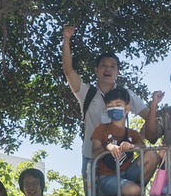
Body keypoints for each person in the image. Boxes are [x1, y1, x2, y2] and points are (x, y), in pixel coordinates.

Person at [62, 24, 148, 165]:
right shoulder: (86, 92)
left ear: (118, 72)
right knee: (92, 188)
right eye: (103, 65)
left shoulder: (127, 94)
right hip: (92, 157)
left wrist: (137, 141)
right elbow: (68, 71)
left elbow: (148, 116)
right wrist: (66, 40)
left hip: (121, 159)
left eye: (113, 66)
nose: (108, 69)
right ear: (96, 69)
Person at [91, 87, 150, 196]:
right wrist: (108, 147)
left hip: (128, 176)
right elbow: (94, 153)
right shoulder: (101, 129)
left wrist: (132, 146)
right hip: (107, 178)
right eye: (110, 106)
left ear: (127, 108)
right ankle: (135, 190)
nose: (114, 108)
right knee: (134, 190)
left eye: (118, 105)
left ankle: (136, 188)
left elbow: (144, 148)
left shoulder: (133, 133)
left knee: (152, 155)